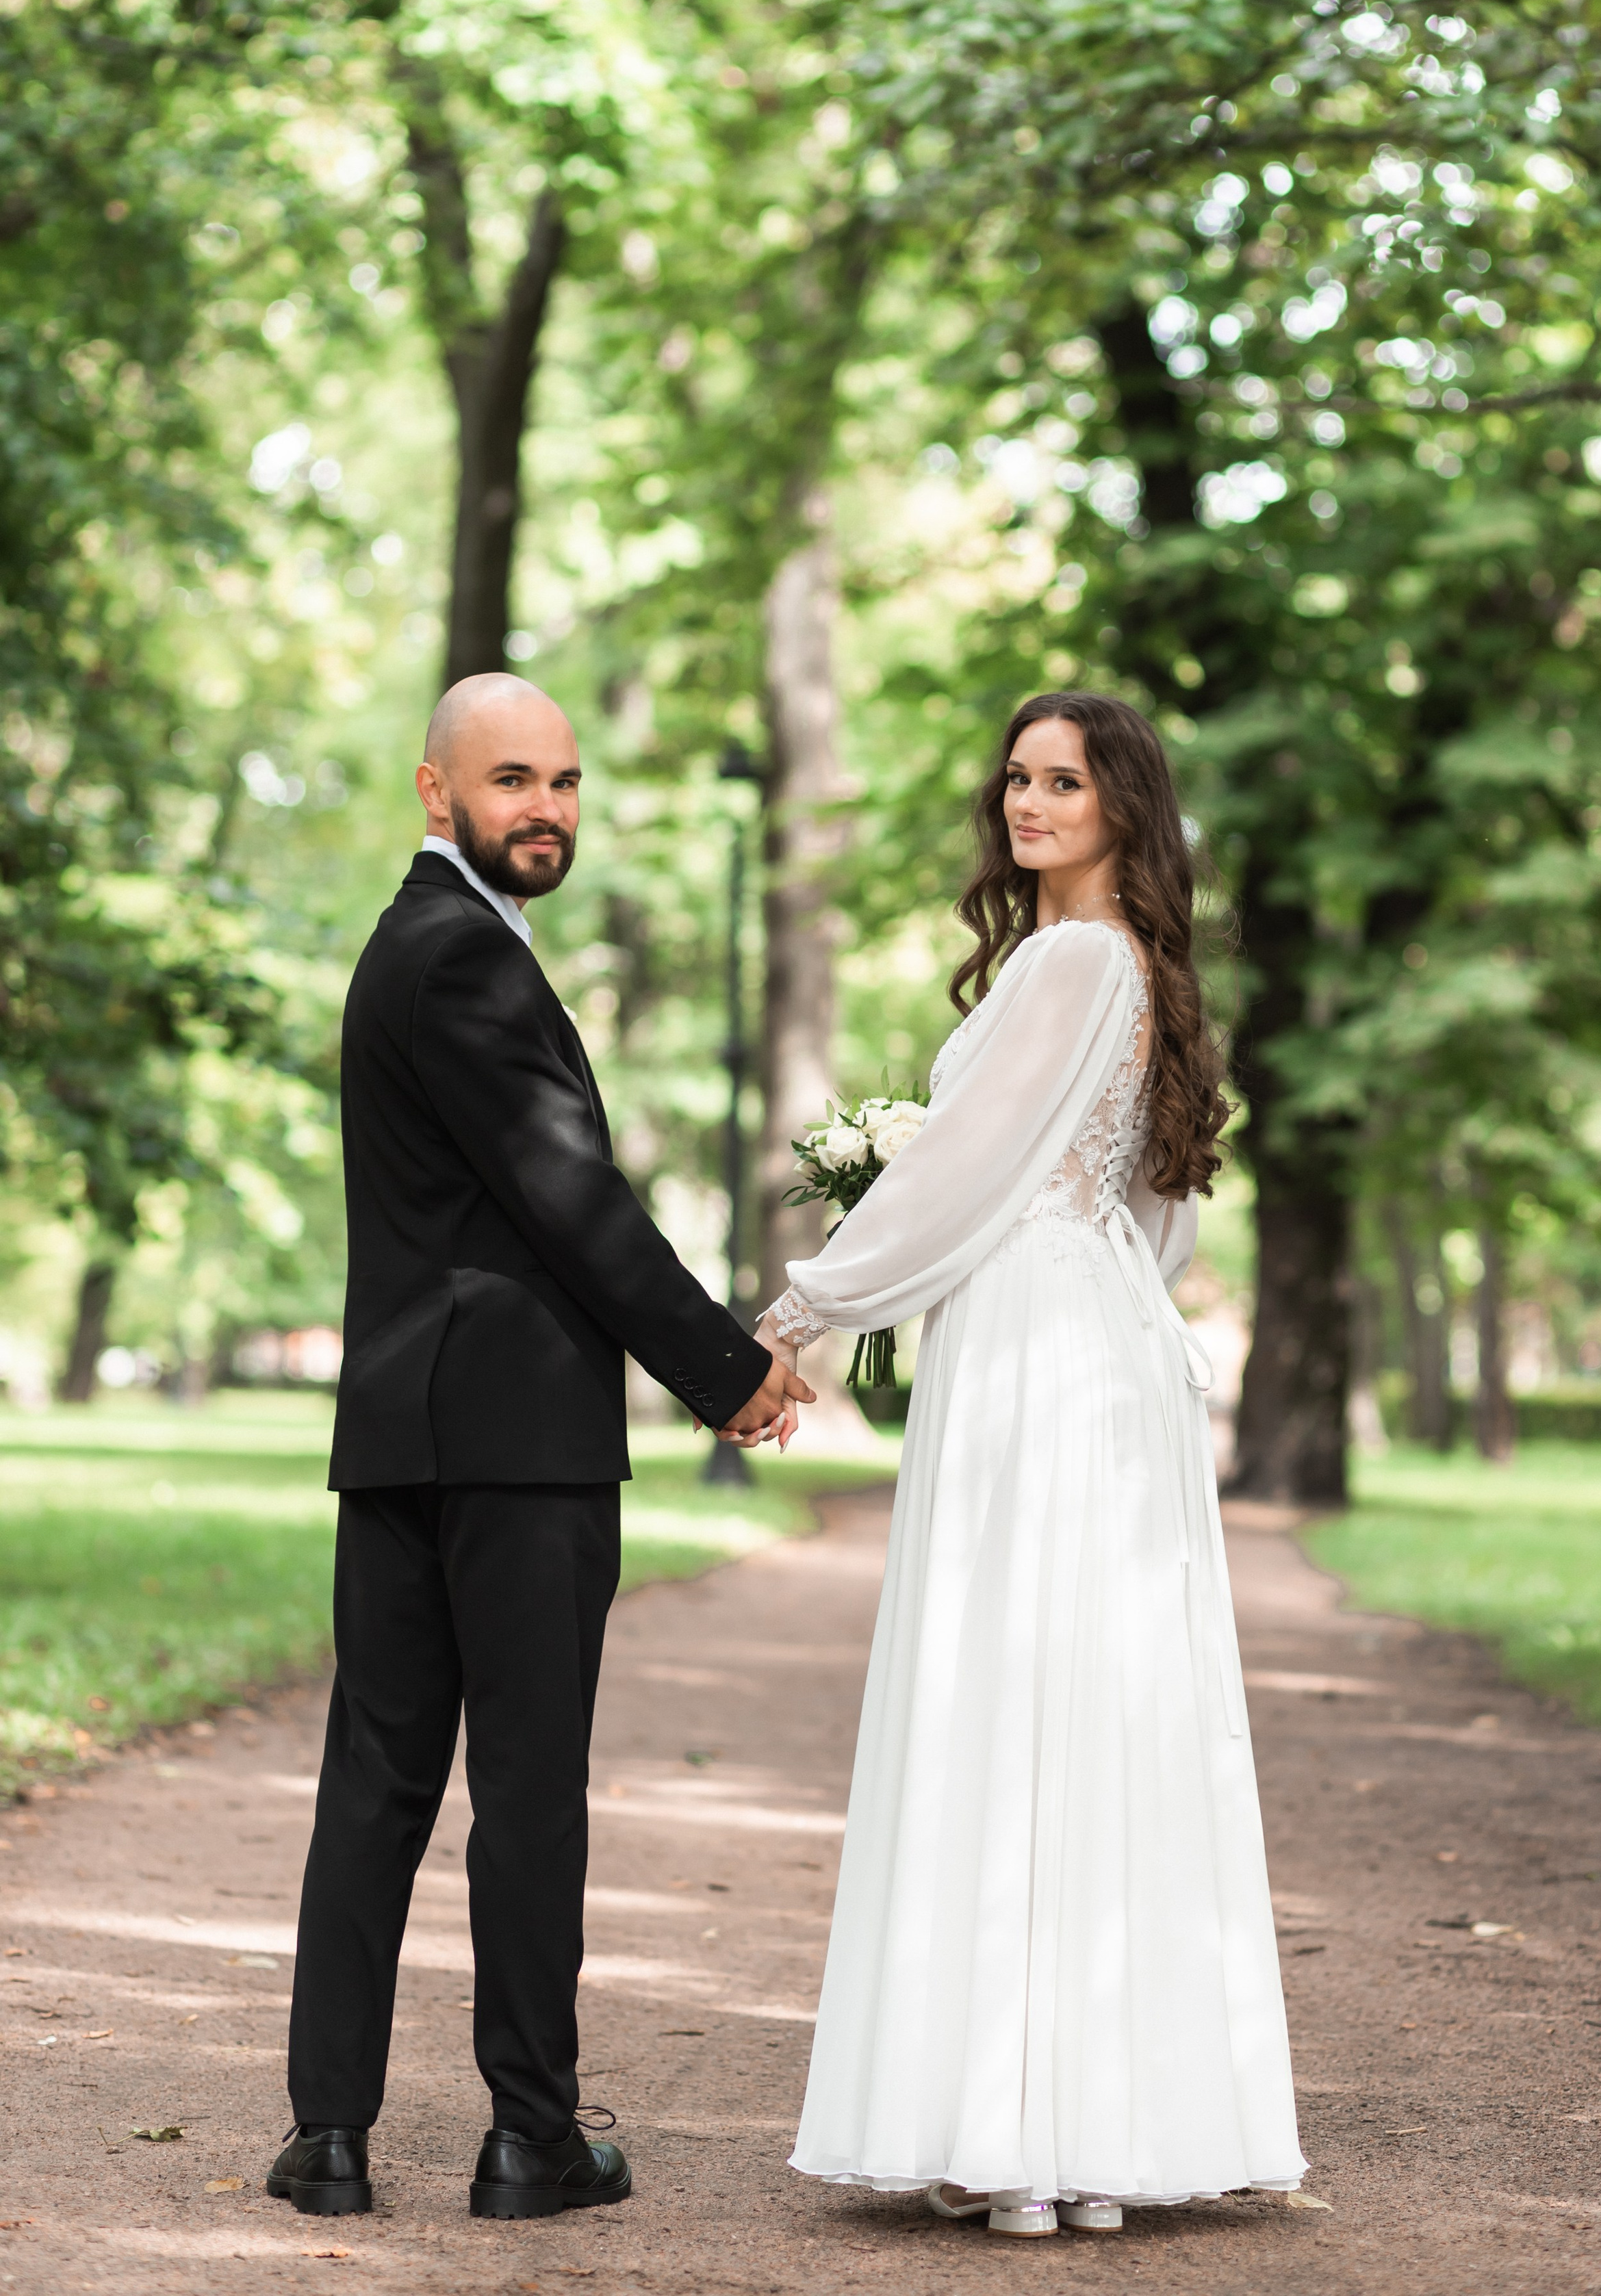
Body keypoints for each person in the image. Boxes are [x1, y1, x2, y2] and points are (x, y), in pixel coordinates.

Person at [267, 673, 811, 2223]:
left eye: (564, 783)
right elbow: (576, 1207)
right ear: (436, 795)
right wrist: (727, 1370)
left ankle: (330, 2137)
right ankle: (529, 2138)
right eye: (512, 781)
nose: (547, 810)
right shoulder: (462, 959)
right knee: (523, 1792)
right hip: (514, 1450)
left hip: (401, 1434)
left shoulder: (417, 951)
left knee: (373, 1786)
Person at [760, 691, 1304, 2237]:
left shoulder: (1070, 961)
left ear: (1122, 803)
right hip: (1103, 1341)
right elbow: (1161, 1220)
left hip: (1030, 1356)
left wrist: (804, 1315)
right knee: (1094, 1708)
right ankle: (1084, 2125)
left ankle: (1012, 2130)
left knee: (1010, 1690)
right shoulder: (1136, 971)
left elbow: (963, 1176)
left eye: (1060, 779)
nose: (1026, 800)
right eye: (1014, 777)